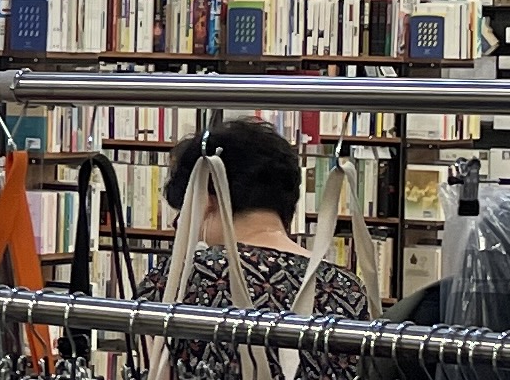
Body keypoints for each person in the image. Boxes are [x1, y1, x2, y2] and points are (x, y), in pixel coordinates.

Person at [152, 118, 374, 326]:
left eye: (182, 211)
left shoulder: (183, 277)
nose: (177, 224)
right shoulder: (346, 287)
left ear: (204, 200)